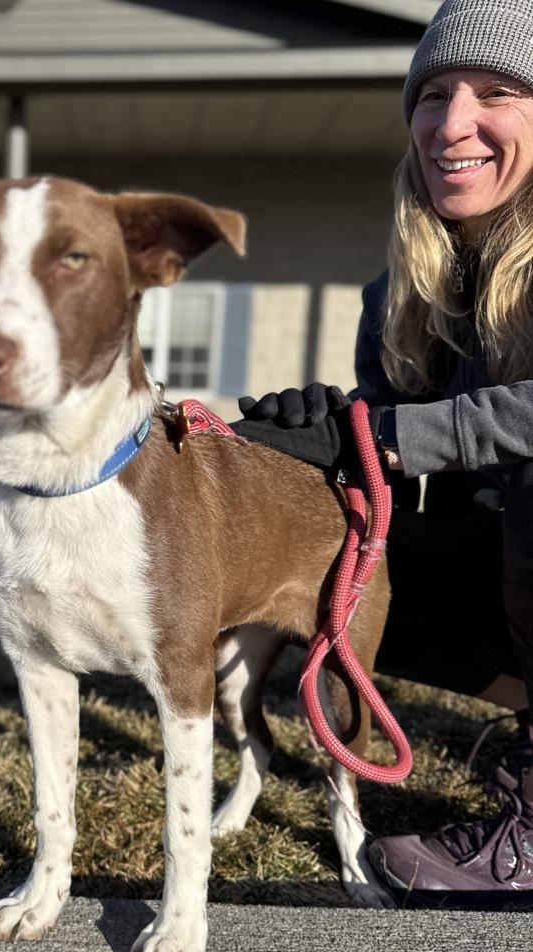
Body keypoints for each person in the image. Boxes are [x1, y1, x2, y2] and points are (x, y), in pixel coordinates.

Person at [233, 0, 533, 901]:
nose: (453, 124)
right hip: (505, 574)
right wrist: (327, 433)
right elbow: (400, 474)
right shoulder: (400, 291)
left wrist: (393, 436)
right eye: (433, 95)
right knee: (333, 540)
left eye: (497, 93)